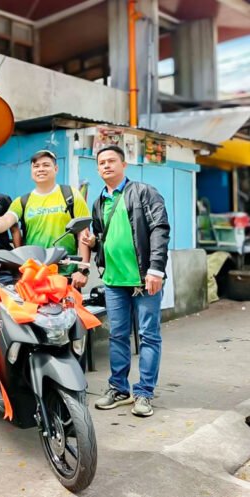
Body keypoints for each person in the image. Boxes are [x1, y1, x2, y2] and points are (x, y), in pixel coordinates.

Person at [82, 145, 170, 418]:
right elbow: (102, 237)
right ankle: (119, 389)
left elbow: (159, 229)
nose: (106, 165)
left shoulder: (144, 192)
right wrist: (93, 242)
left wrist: (156, 270)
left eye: (112, 161)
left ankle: (144, 393)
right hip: (114, 280)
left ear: (124, 164)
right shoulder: (99, 201)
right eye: (101, 163)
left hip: (144, 279)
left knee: (148, 336)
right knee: (118, 335)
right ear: (98, 169)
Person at [0, 150, 91, 288]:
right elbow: (6, 220)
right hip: (33, 274)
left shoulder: (71, 195)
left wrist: (83, 270)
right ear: (31, 171)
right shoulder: (22, 201)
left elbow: (83, 233)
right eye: (36, 166)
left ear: (56, 169)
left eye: (46, 165)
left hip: (65, 274)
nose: (41, 169)